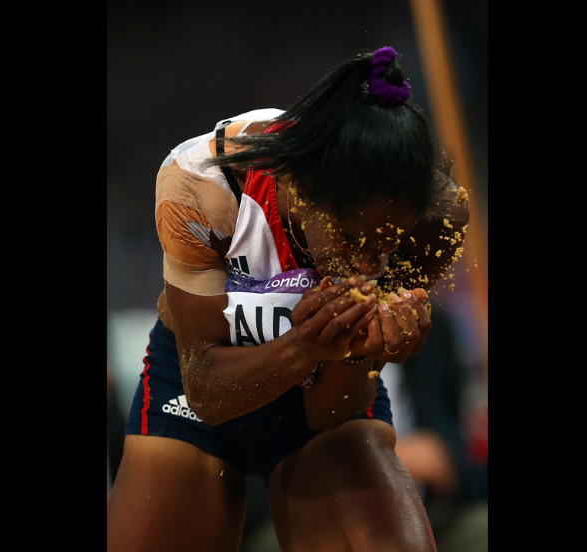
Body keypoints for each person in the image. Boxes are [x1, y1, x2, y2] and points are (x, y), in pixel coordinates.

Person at [106, 46, 470, 552]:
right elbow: (209, 395)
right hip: (204, 378)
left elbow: (329, 412)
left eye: (387, 245)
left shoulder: (439, 216)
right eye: (352, 241)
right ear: (300, 192)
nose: (370, 265)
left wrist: (366, 348)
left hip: (322, 396)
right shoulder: (201, 184)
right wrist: (306, 346)